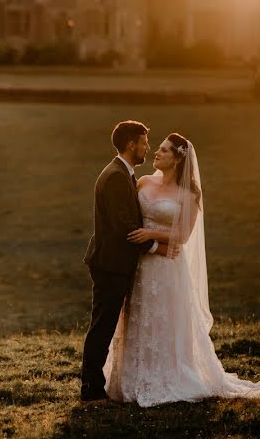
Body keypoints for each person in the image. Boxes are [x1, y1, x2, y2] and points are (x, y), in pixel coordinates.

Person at [104, 132, 260, 406]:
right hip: (141, 265)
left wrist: (151, 233)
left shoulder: (189, 195)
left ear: (177, 159)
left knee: (164, 319)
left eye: (163, 150)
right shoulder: (142, 182)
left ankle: (169, 375)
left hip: (168, 266)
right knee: (140, 316)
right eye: (157, 148)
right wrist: (148, 239)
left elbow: (183, 236)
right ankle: (133, 377)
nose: (156, 153)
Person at [80, 120, 165, 401]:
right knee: (102, 326)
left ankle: (94, 383)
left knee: (103, 323)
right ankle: (91, 388)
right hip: (110, 264)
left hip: (112, 263)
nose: (147, 148)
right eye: (144, 142)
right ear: (131, 144)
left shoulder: (122, 172)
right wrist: (156, 245)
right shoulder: (116, 176)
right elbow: (124, 226)